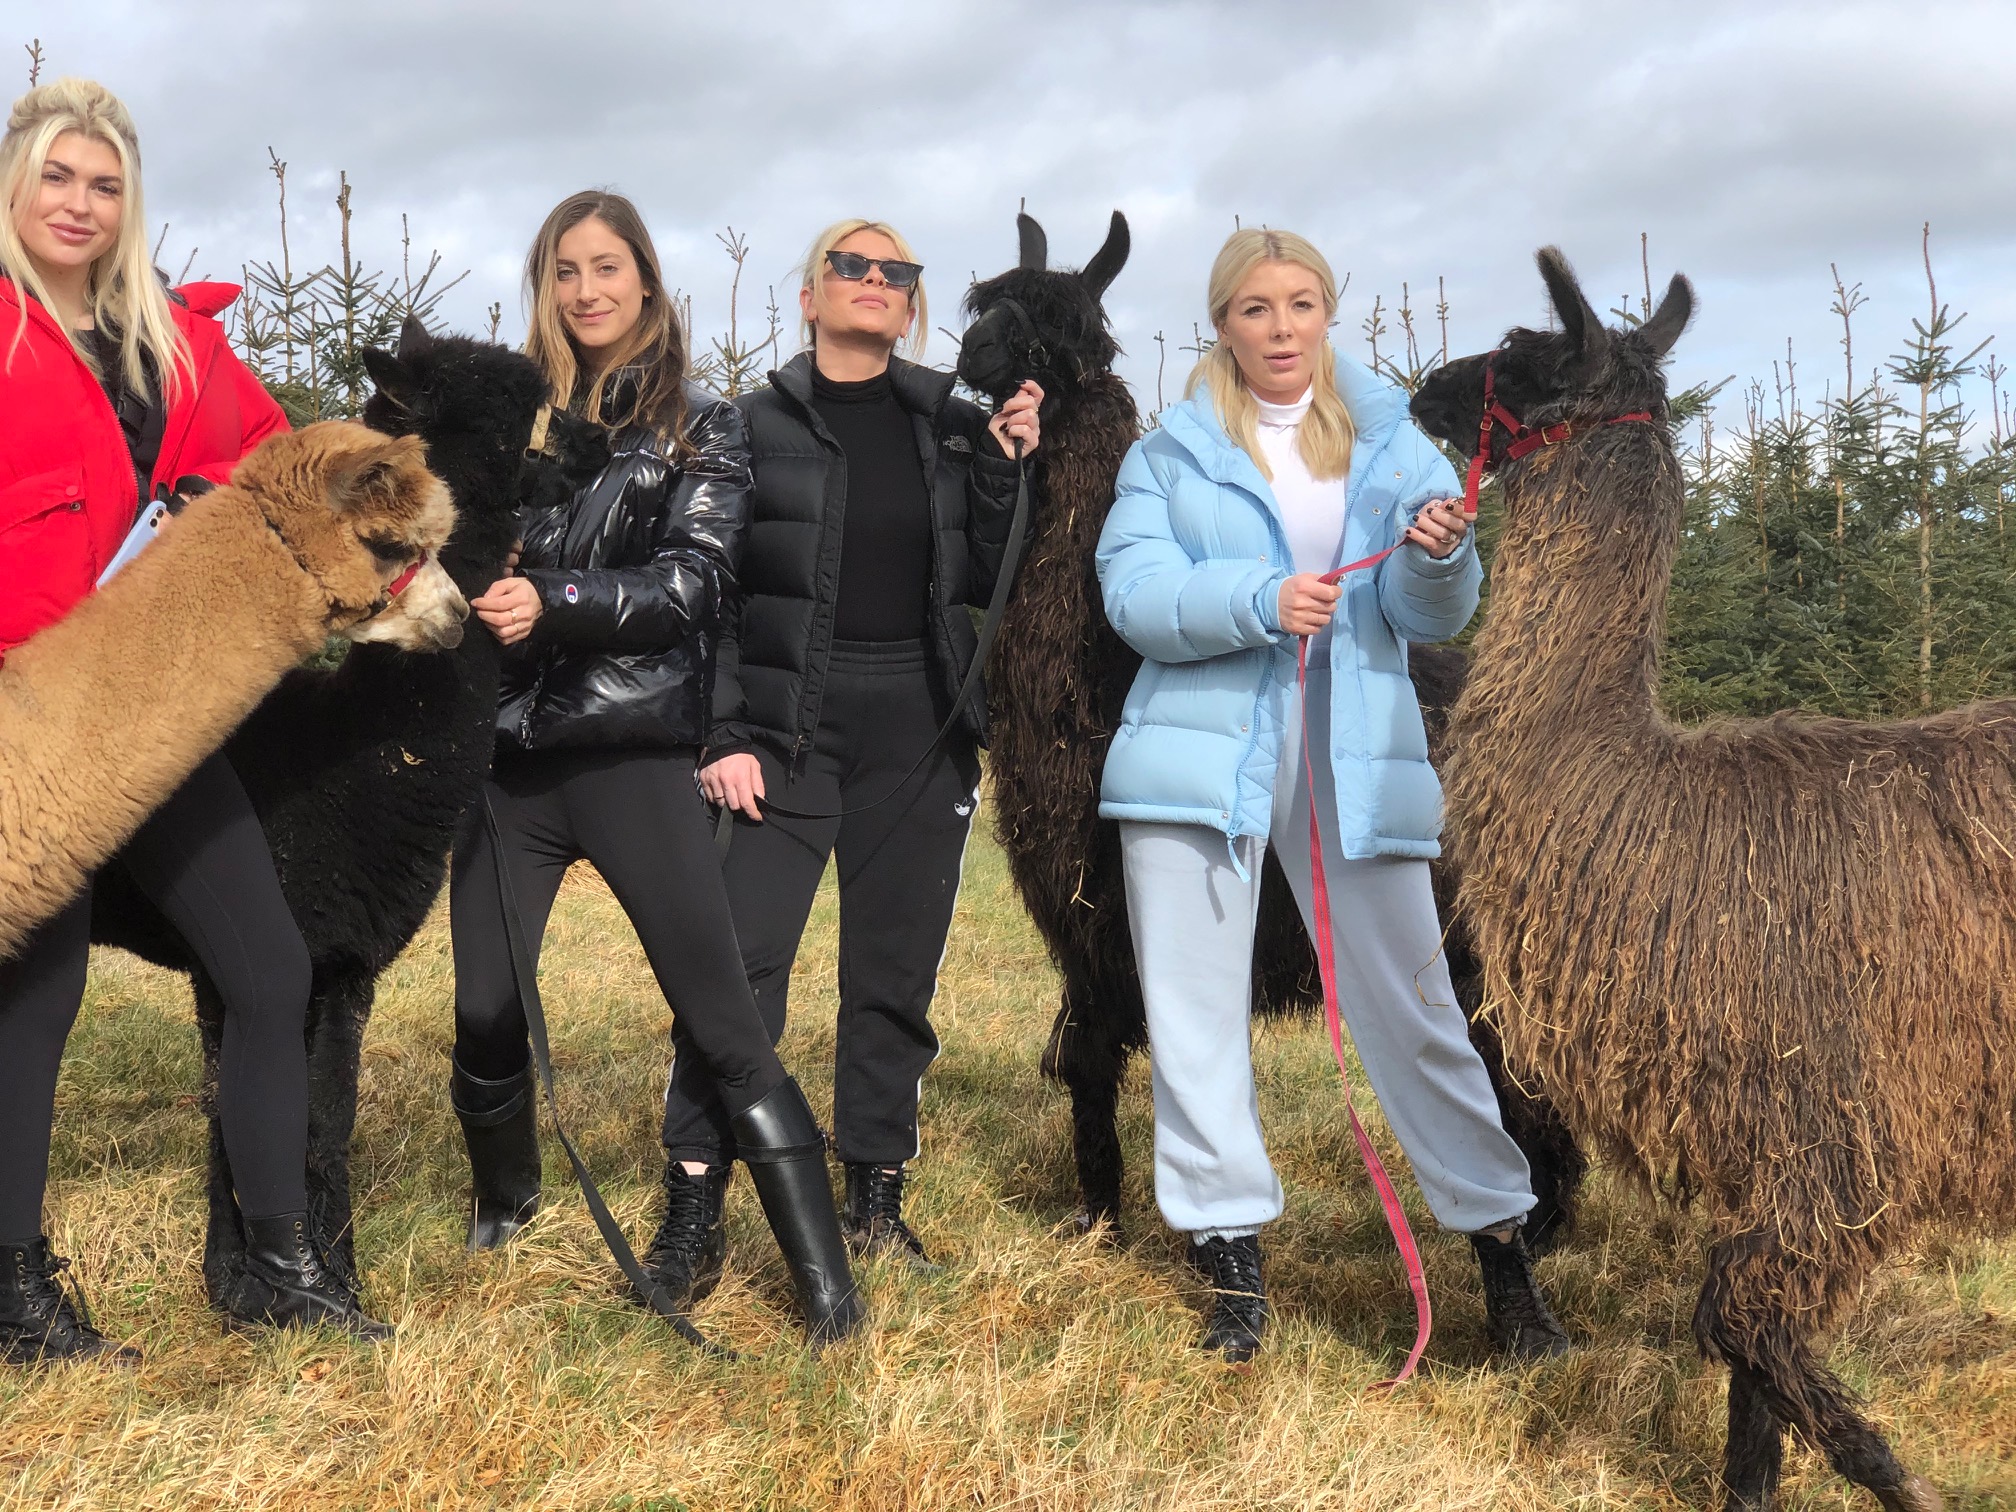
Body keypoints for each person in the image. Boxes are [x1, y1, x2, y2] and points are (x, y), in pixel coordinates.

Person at [1094, 227, 1570, 1364]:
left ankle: (1502, 1258)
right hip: (1200, 755)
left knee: (1417, 1006)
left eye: (1302, 304)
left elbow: (1429, 615)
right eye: (1256, 309)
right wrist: (1258, 599)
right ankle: (1231, 1270)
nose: (1281, 329)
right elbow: (1134, 594)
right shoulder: (1168, 457)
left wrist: (1440, 556)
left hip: (1354, 749)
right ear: (1223, 323)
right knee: (1194, 1011)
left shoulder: (1393, 445)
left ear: (1326, 315)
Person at [0, 78, 388, 1366]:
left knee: (268, 969)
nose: (81, 204)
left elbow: (281, 450)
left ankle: (278, 1265)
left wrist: (205, 499)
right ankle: (13, 1290)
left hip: (155, 710)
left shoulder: (168, 340)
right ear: (18, 185)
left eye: (105, 185)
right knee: (33, 999)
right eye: (59, 176)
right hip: (27, 721)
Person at [447, 190, 860, 1344]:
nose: (586, 291)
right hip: (511, 762)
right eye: (564, 271)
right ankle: (508, 1196)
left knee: (724, 1020)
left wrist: (557, 599)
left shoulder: (700, 426)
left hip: (632, 750)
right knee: (484, 1008)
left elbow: (697, 585)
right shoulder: (512, 423)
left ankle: (826, 1285)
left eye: (606, 267)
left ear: (645, 279)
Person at [649, 218, 1038, 1285]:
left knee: (893, 974)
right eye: (850, 267)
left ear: (911, 306)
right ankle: (694, 1199)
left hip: (918, 727)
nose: (873, 281)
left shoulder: (954, 429)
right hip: (785, 733)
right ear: (811, 297)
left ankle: (875, 1197)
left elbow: (993, 573)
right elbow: (713, 590)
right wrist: (726, 732)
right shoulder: (750, 424)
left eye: (895, 273)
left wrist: (1007, 469)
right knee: (741, 971)